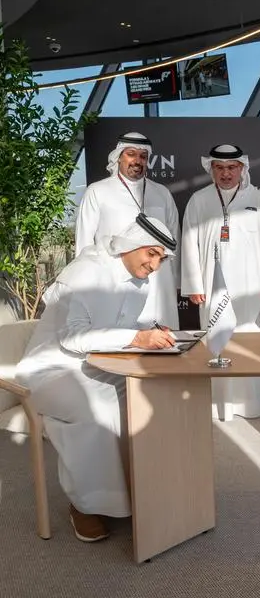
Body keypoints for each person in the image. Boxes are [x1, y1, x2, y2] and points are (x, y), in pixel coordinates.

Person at [16, 215, 178, 543]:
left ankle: (144, 490)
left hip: (96, 364)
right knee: (100, 409)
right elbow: (73, 339)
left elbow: (119, 329)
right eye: (151, 254)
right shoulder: (85, 272)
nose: (155, 265)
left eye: (161, 258)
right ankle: (86, 505)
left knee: (149, 395)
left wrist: (151, 334)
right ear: (131, 244)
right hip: (50, 369)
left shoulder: (140, 282)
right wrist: (136, 340)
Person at [180, 144, 260, 420]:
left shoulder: (258, 199)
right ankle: (217, 401)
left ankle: (251, 401)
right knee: (216, 339)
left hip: (250, 288)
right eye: (220, 168)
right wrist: (193, 285)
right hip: (211, 287)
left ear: (242, 168)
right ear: (211, 169)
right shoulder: (199, 200)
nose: (226, 173)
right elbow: (189, 243)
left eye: (232, 167)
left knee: (250, 339)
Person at [75, 131, 181, 330]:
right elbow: (84, 242)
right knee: (121, 343)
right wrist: (86, 283)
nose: (137, 161)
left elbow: (175, 238)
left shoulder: (162, 193)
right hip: (116, 282)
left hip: (159, 282)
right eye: (131, 154)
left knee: (165, 343)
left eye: (143, 156)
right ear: (118, 157)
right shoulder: (97, 192)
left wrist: (176, 280)